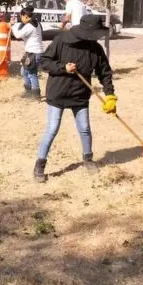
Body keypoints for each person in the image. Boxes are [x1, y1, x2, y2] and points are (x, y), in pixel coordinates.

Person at [33, 14, 116, 183]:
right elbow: (44, 62)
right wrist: (63, 67)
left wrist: (110, 95)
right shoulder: (61, 40)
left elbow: (105, 72)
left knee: (84, 128)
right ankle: (40, 165)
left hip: (80, 94)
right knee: (52, 129)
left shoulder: (95, 49)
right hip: (58, 93)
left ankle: (88, 159)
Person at [11, 5, 44, 100]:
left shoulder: (30, 26)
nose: (21, 19)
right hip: (32, 52)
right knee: (24, 71)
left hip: (34, 53)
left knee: (32, 73)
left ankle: (36, 95)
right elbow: (23, 32)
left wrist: (13, 26)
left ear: (25, 16)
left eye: (21, 17)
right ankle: (28, 92)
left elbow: (18, 35)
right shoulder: (36, 23)